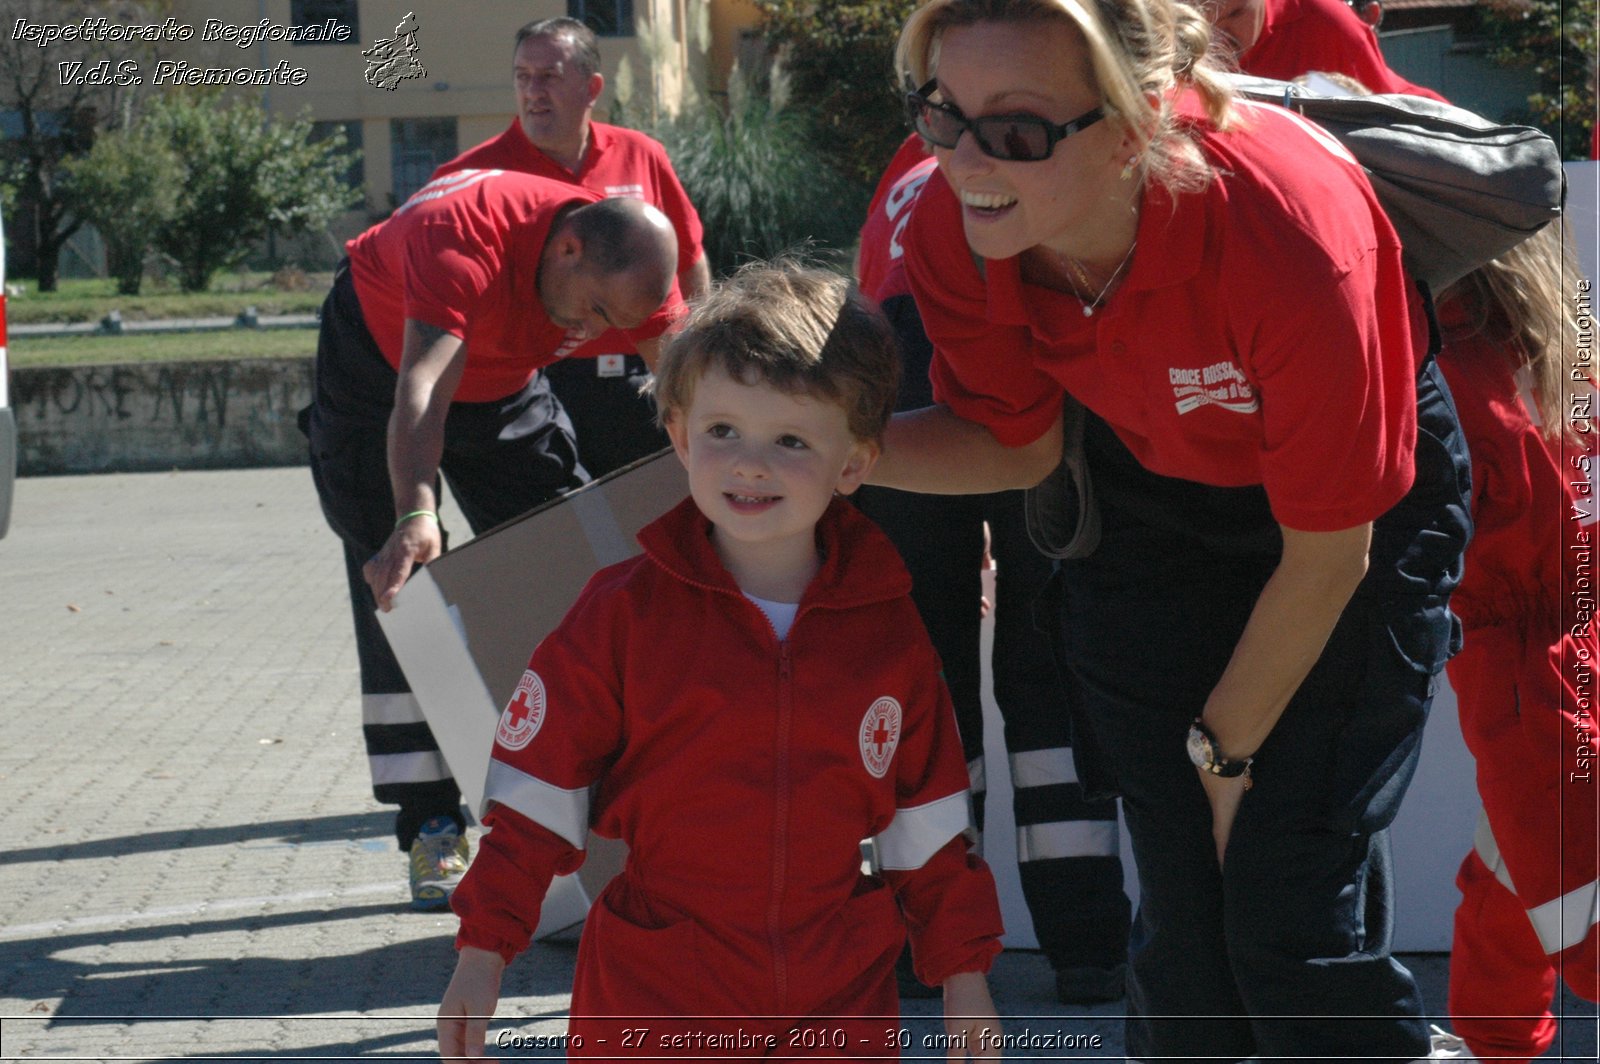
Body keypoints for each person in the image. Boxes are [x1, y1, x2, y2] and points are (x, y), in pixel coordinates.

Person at [883, 1, 1473, 1060]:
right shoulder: (952, 223)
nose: (964, 159)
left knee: (1283, 907)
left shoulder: (1287, 235)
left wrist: (1220, 751)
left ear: (1136, 119)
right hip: (1150, 499)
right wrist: (827, 454)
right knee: (1188, 940)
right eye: (942, 114)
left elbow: (1331, 554)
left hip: (1349, 526)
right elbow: (1014, 449)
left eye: (1013, 130)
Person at [435, 261, 1005, 1059]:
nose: (750, 463)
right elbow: (536, 800)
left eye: (792, 440)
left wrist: (964, 975)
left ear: (854, 464)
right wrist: (482, 953)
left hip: (837, 999)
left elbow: (931, 828)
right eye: (723, 431)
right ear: (677, 435)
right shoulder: (622, 614)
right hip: (653, 996)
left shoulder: (888, 633)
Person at [303, 169, 682, 911]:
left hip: (503, 380)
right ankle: (432, 824)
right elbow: (420, 393)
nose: (603, 332)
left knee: (570, 560)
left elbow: (687, 386)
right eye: (598, 311)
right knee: (399, 584)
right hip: (378, 369)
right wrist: (416, 512)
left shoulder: (632, 261)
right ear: (567, 249)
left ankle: (611, 803)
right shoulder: (461, 243)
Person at [854, 137, 1131, 1005]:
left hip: (899, 356)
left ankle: (926, 936)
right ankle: (1086, 944)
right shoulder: (1031, 116)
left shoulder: (914, 154)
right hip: (1033, 338)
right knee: (1050, 648)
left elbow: (873, 284)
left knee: (923, 671)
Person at [1430, 227, 1600, 1063]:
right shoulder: (1560, 333)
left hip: (1523, 656)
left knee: (1566, 883)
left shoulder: (1448, 356)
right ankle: (1494, 1039)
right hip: (1574, 620)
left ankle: (1495, 1039)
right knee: (1517, 855)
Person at [432, 16, 711, 479]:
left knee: (651, 519)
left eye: (550, 77)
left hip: (637, 379)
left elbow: (690, 261)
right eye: (522, 76)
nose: (533, 91)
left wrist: (695, 363)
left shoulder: (642, 153)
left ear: (592, 87)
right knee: (560, 529)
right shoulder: (471, 177)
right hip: (529, 389)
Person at [1204, 0, 1447, 100]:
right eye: (1199, 16)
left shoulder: (1324, 25)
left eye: (1235, 15)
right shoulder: (1173, 35)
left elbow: (1383, 126)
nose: (1214, 37)